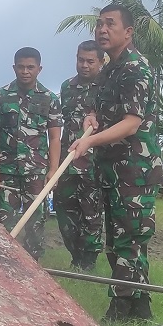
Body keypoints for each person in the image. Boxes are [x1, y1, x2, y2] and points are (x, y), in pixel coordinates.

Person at [68, 4, 162, 323]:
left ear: (128, 32)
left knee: (129, 239)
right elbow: (102, 113)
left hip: (136, 169)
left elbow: (131, 123)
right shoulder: (109, 70)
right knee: (124, 238)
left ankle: (119, 309)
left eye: (110, 24)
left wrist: (90, 141)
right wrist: (91, 119)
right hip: (112, 169)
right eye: (99, 24)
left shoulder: (136, 67)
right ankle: (141, 306)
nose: (102, 30)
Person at [0, 47, 62, 259]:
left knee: (36, 224)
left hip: (36, 173)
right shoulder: (1, 96)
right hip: (6, 172)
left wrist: (53, 169)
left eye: (30, 67)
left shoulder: (49, 98)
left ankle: (33, 267)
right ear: (14, 67)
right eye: (21, 67)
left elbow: (55, 137)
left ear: (39, 69)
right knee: (2, 222)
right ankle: (0, 263)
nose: (25, 71)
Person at [54, 41, 104, 271]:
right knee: (65, 211)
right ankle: (75, 256)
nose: (84, 65)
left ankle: (88, 262)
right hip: (69, 162)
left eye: (90, 61)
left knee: (91, 213)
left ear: (101, 62)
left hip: (96, 163)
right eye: (80, 60)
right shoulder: (66, 88)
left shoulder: (107, 87)